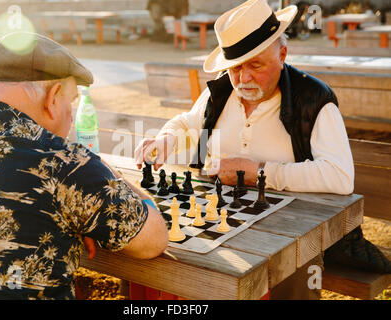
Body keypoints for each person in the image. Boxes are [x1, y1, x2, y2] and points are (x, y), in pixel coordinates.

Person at [135, 0, 390, 299]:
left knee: (291, 270)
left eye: (255, 65)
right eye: (235, 68)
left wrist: (258, 172)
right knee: (163, 255)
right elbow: (185, 122)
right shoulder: (221, 91)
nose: (243, 79)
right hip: (225, 222)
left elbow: (339, 176)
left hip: (294, 233)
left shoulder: (313, 99)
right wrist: (166, 138)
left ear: (282, 54)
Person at [0, 32, 168, 300]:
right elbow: (154, 239)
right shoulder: (66, 164)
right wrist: (96, 181)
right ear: (53, 98)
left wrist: (76, 209)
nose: (71, 115)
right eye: (71, 101)